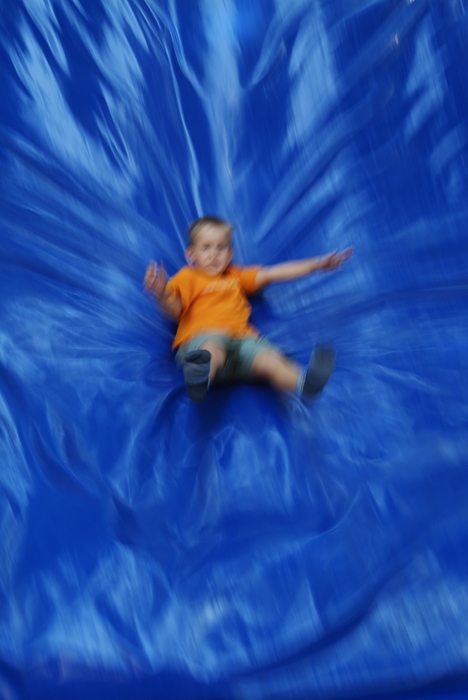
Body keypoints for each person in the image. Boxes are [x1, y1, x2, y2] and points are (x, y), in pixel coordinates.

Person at [144, 215, 352, 402]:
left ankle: (305, 383)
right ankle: (200, 378)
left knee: (271, 359)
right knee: (212, 348)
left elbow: (273, 273)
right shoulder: (188, 277)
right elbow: (173, 310)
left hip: (243, 343)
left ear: (230, 254)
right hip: (204, 339)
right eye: (206, 247)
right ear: (191, 255)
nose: (214, 255)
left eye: (221, 248)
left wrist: (316, 265)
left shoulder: (236, 276)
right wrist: (161, 294)